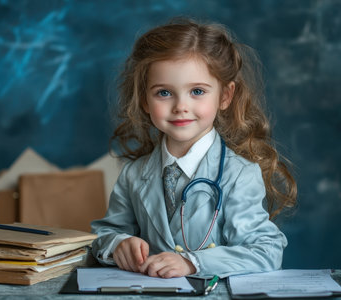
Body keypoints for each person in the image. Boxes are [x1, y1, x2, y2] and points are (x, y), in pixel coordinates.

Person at [91, 18, 297, 278]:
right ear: (144, 99)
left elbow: (266, 251)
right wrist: (118, 244)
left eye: (197, 91)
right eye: (164, 93)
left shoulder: (239, 174)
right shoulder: (134, 173)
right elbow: (102, 234)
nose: (180, 106)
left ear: (225, 96)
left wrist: (192, 262)